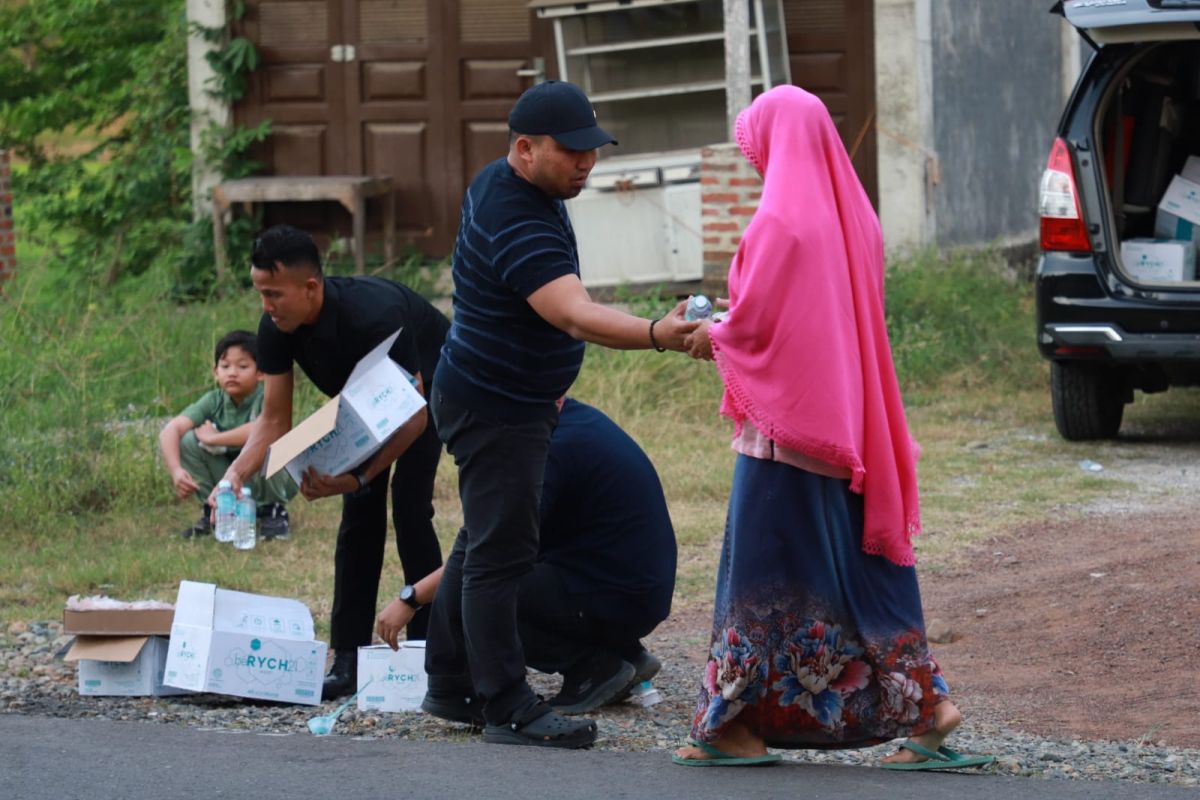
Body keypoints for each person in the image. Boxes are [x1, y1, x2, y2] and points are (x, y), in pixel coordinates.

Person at [672, 86, 994, 771]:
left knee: (756, 584)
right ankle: (929, 707)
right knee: (857, 573)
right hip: (851, 431)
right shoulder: (855, 217)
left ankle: (731, 726)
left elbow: (759, 326)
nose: (755, 160)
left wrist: (711, 330)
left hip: (786, 435)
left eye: (756, 146)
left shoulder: (778, 224)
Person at [421, 80, 698, 749]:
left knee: (487, 541)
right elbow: (572, 312)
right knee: (501, 555)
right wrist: (660, 332)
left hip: (494, 393)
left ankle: (452, 683)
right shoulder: (516, 212)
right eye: (571, 151)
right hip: (498, 406)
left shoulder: (515, 186)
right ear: (524, 149)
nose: (587, 163)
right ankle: (506, 705)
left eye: (592, 150)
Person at [212, 224, 450, 702]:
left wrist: (358, 475)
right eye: (260, 293)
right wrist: (234, 475)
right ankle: (347, 656)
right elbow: (274, 419)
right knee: (360, 515)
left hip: (430, 385)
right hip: (362, 400)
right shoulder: (275, 327)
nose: (266, 306)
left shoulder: (374, 314)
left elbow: (414, 417)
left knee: (408, 506)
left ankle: (434, 649)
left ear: (311, 287)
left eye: (274, 294)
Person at [377, 398, 676, 717]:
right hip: (634, 592)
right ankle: (624, 653)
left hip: (617, 598)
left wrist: (411, 598)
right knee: (502, 574)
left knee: (483, 593)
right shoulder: (574, 420)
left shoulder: (549, 452)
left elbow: (488, 553)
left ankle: (591, 667)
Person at [159, 330, 295, 540]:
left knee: (271, 443)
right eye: (225, 366)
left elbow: (266, 428)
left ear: (261, 373)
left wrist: (214, 439)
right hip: (232, 479)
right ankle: (214, 510)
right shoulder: (214, 400)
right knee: (187, 441)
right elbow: (171, 429)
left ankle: (273, 511)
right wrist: (176, 471)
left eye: (242, 366)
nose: (232, 373)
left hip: (268, 481)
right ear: (215, 372)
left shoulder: (266, 397)